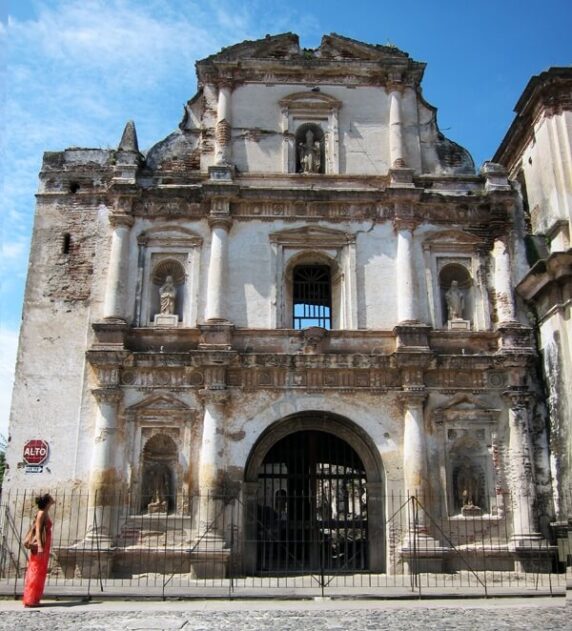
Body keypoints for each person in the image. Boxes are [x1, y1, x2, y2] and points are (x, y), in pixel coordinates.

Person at [23, 493, 55, 607]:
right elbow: (37, 530)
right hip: (40, 546)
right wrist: (40, 546)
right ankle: (30, 599)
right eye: (51, 498)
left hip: (44, 545)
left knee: (40, 572)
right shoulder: (41, 513)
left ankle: (35, 598)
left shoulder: (45, 512)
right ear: (47, 501)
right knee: (35, 571)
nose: (53, 499)